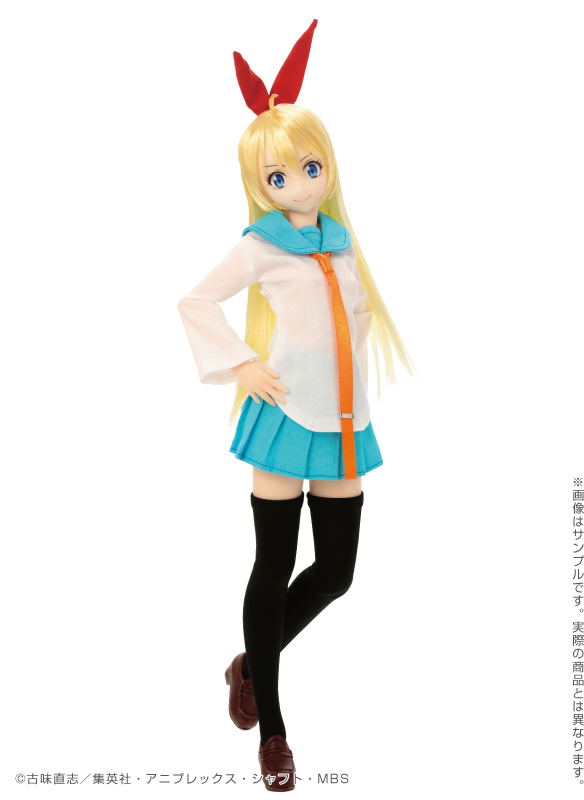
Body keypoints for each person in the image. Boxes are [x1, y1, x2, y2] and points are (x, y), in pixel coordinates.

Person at [177, 19, 416, 792]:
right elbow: (195, 300)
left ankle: (251, 663)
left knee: (336, 573)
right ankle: (274, 731)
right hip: (283, 421)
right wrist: (241, 364)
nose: (299, 183)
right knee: (273, 564)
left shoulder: (341, 243)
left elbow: (353, 321)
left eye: (310, 167)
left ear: (327, 166)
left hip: (344, 422)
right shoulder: (261, 245)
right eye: (280, 176)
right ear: (261, 184)